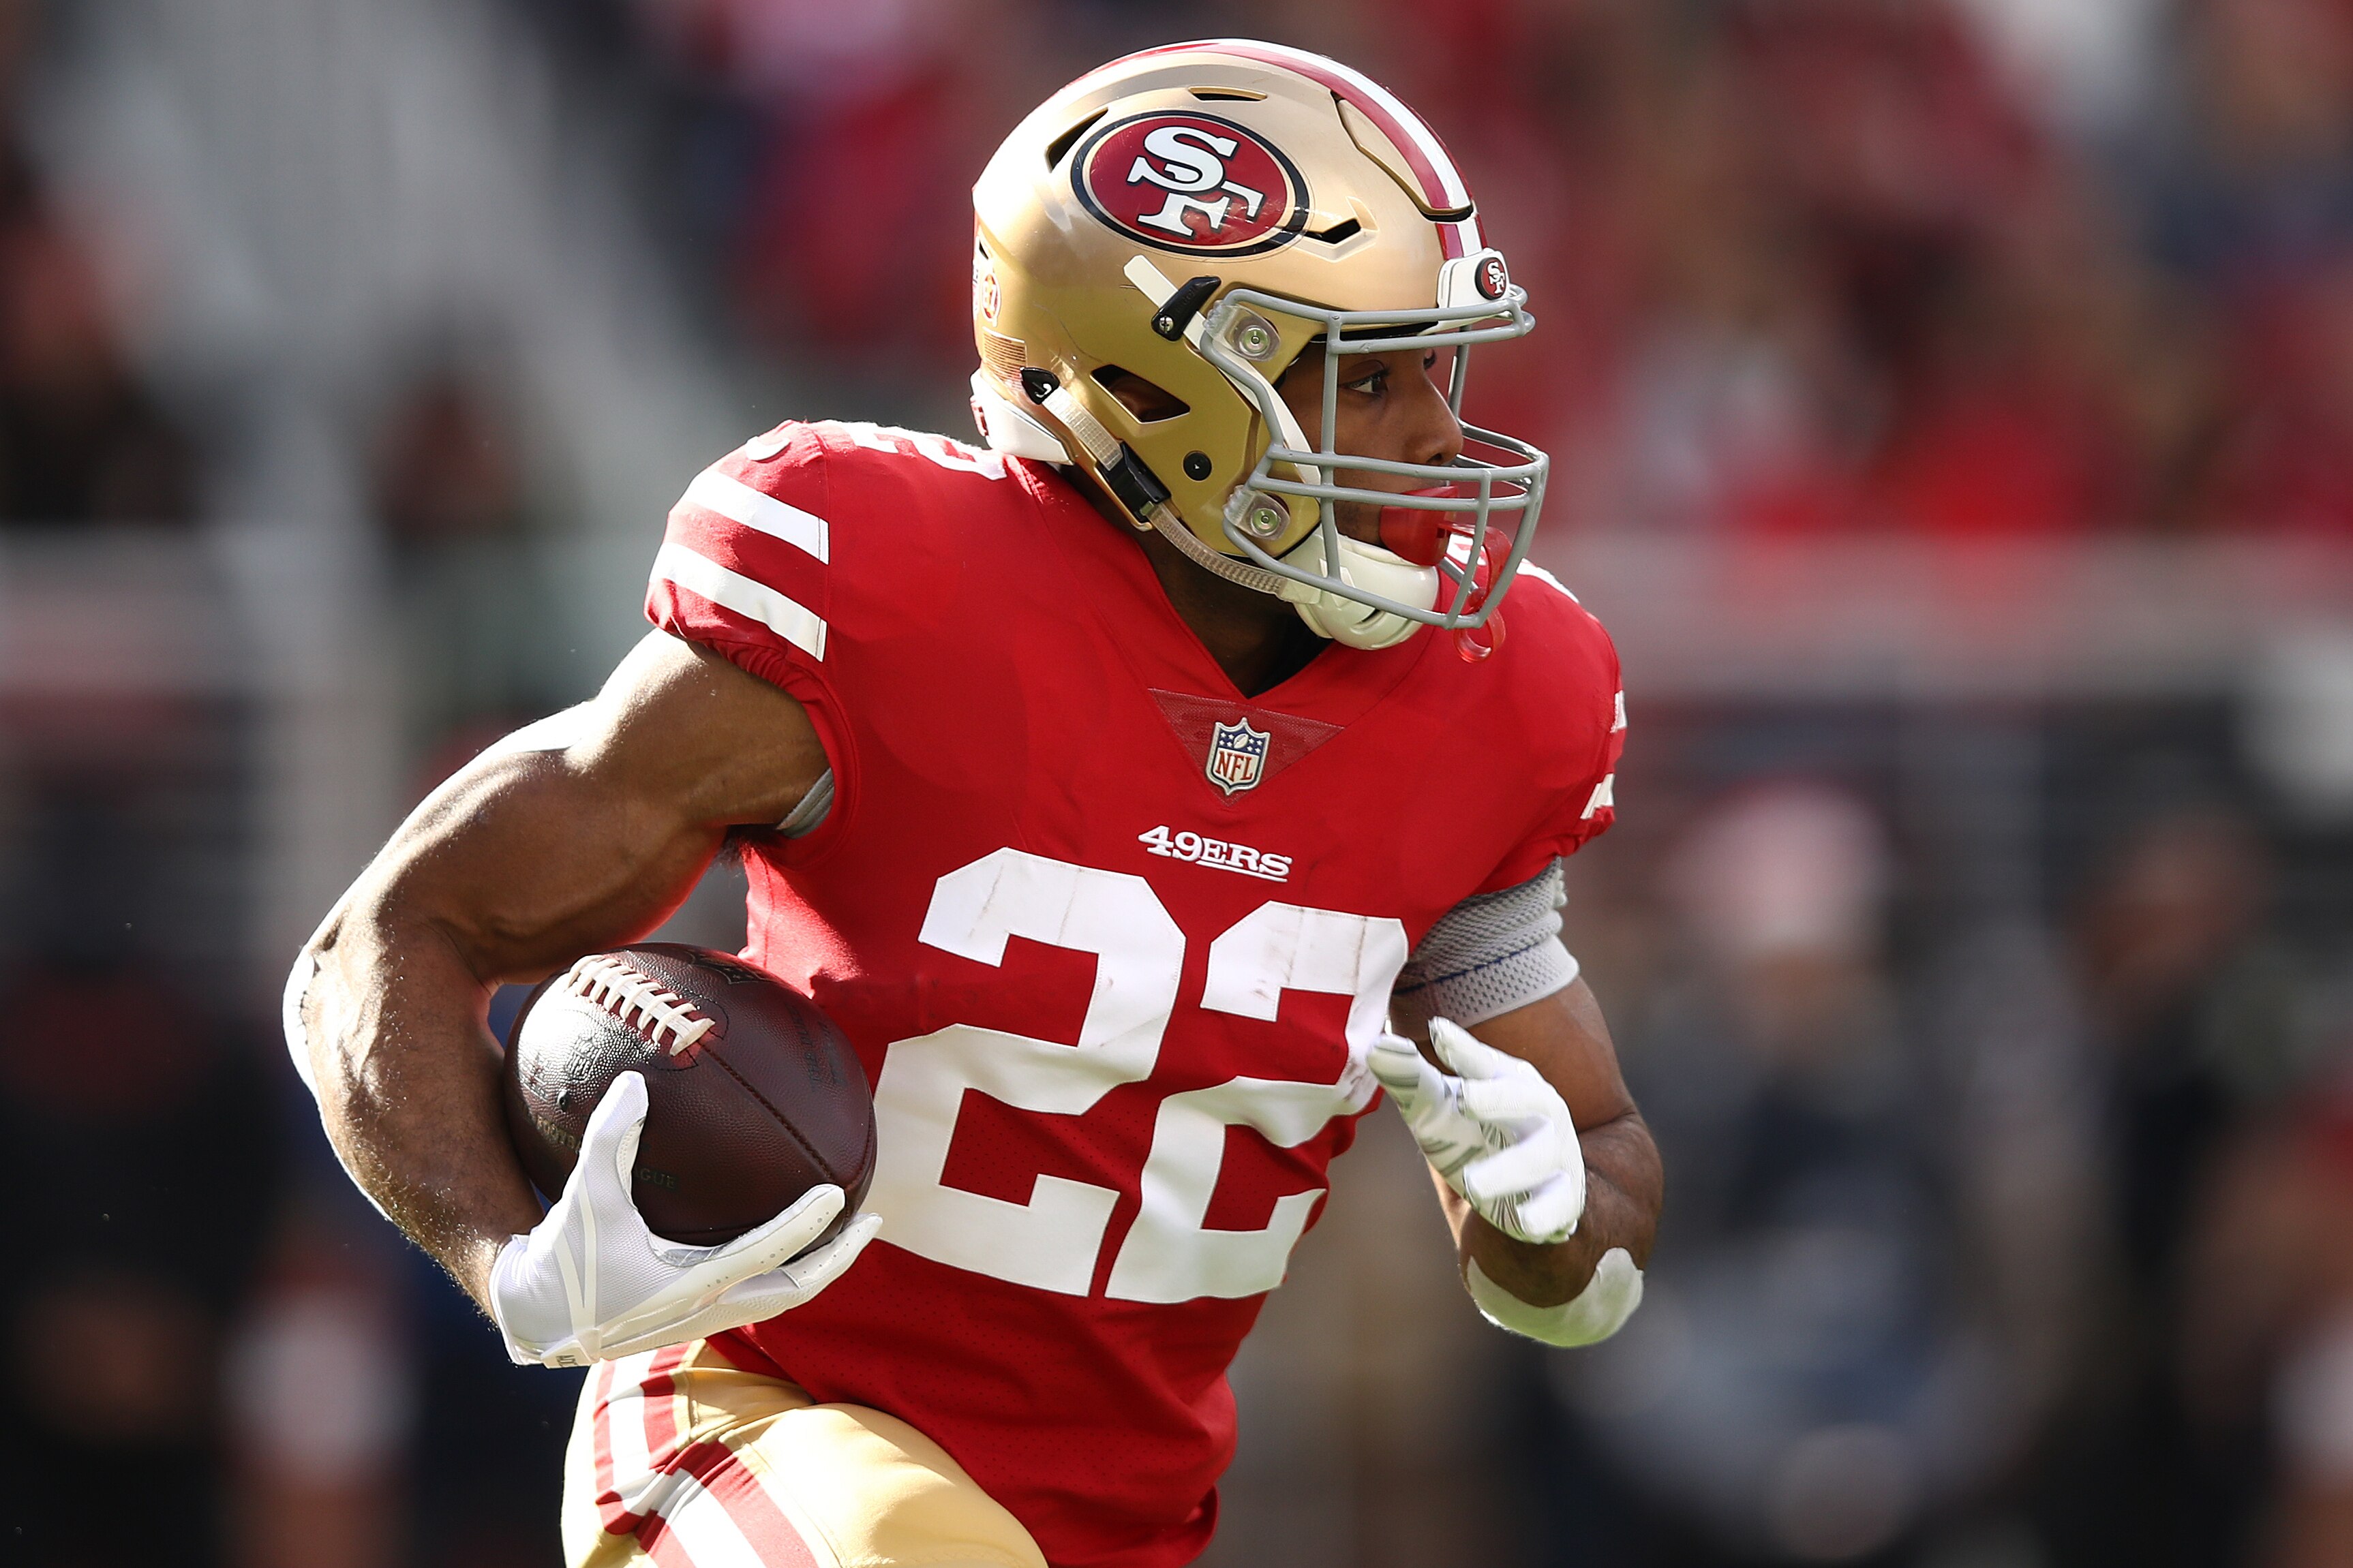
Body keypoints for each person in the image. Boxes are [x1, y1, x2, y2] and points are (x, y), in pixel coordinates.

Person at [283, 40, 1662, 1568]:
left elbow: (1590, 1188)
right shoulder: (887, 587)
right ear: (1155, 381)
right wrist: (509, 1263)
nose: (1428, 432)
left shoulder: (1494, 695)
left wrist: (1550, 1223)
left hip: (1123, 1520)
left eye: (1436, 364)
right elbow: (391, 936)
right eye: (1366, 373)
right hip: (760, 1426)